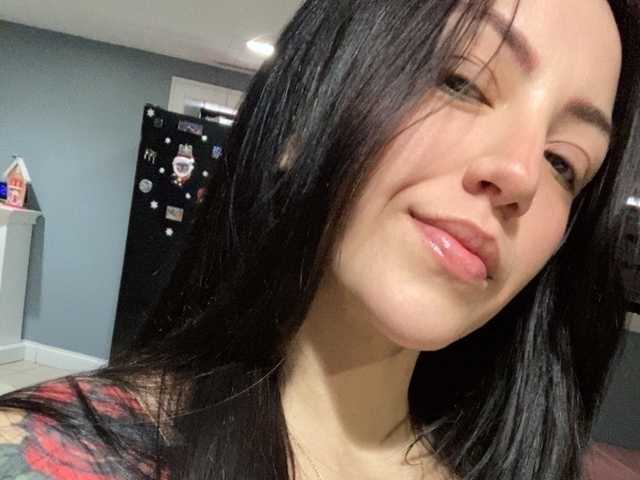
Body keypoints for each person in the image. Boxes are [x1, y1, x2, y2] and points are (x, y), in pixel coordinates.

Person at [1, 0, 639, 478]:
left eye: (564, 162)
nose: (522, 175)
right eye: (462, 81)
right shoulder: (48, 457)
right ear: (302, 118)